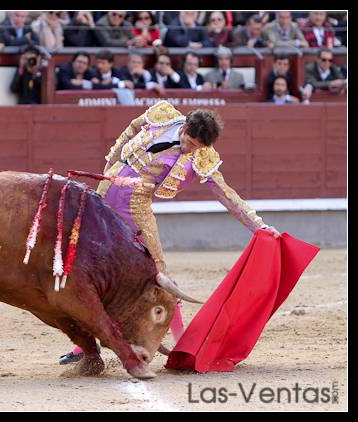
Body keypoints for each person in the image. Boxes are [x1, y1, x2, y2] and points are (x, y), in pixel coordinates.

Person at [59, 100, 280, 364]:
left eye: (198, 147)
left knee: (158, 273)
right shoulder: (162, 115)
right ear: (184, 127)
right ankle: (84, 345)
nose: (190, 149)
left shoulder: (201, 156)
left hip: (136, 206)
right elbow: (132, 127)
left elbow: (227, 195)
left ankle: (181, 342)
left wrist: (259, 226)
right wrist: (112, 162)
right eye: (189, 141)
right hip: (105, 195)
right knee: (88, 269)